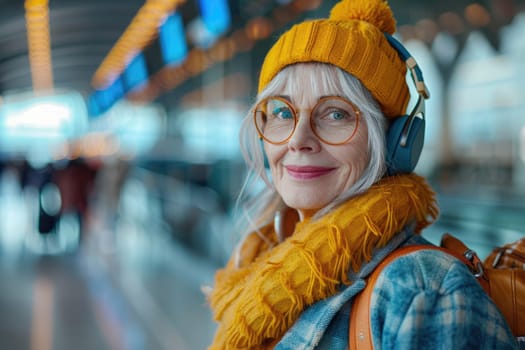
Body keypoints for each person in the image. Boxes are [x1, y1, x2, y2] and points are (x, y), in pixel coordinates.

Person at [206, 0, 518, 349]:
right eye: (281, 111)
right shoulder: (261, 258)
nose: (298, 139)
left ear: (394, 140)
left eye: (336, 114)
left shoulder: (422, 293)